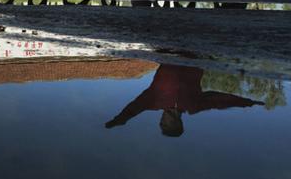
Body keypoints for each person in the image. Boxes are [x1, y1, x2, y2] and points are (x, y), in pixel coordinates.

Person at [105, 64, 264, 137]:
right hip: (195, 56)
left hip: (169, 53)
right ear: (176, 123)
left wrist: (120, 119)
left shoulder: (152, 102)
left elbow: (134, 108)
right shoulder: (193, 106)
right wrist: (248, 102)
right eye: (164, 124)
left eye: (161, 123)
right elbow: (219, 101)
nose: (161, 120)